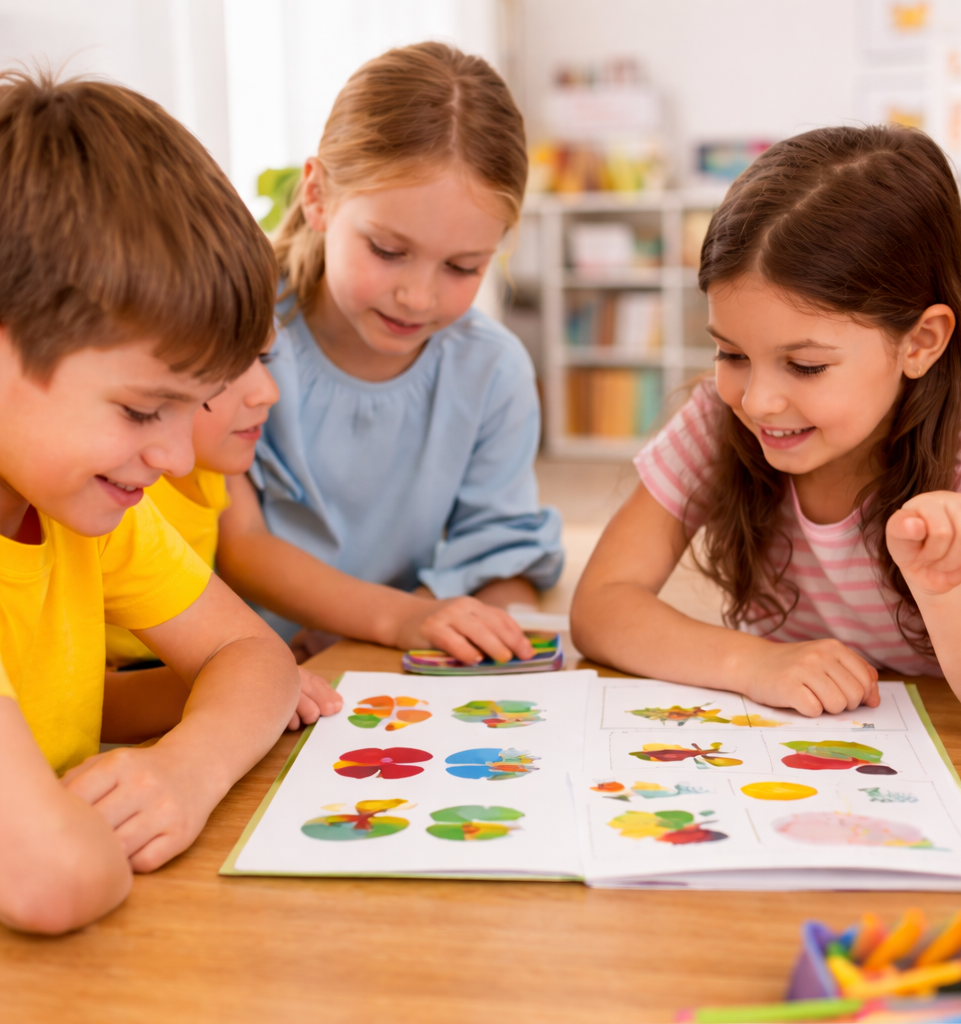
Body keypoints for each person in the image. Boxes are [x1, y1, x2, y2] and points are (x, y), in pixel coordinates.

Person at [572, 125, 961, 748]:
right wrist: (752, 664)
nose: (757, 401)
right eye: (731, 354)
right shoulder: (717, 419)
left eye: (806, 366)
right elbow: (601, 606)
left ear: (920, 342)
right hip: (786, 748)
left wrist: (939, 585)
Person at [0, 72, 302, 935]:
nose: (173, 458)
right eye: (141, 410)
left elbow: (256, 656)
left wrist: (185, 772)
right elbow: (52, 880)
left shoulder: (77, 507)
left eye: (188, 409)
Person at [216, 42, 563, 667]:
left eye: (463, 266)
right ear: (318, 196)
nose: (418, 295)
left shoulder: (492, 370)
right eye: (387, 249)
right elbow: (239, 546)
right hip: (229, 663)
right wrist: (399, 618)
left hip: (377, 660)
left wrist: (419, 620)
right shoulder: (239, 330)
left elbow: (501, 554)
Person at [103, 340, 343, 743]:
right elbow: (87, 704)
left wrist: (250, 678)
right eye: (221, 369)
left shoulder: (211, 463)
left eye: (262, 357)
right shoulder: (111, 497)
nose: (268, 390)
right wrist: (236, 688)